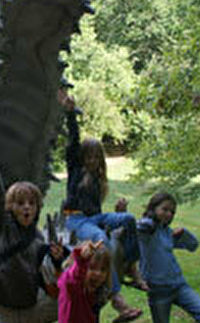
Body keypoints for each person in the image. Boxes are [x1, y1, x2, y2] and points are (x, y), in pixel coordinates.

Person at [58, 89, 146, 323]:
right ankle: (116, 297)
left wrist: (117, 210)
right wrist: (70, 115)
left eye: (97, 158)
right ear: (81, 158)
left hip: (96, 216)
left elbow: (99, 211)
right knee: (101, 241)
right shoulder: (76, 171)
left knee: (127, 220)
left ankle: (131, 267)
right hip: (77, 219)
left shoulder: (97, 180)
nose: (92, 161)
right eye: (88, 157)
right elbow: (73, 141)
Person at [0, 116, 68, 323]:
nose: (26, 207)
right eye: (20, 203)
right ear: (10, 207)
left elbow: (46, 274)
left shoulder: (38, 238)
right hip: (1, 308)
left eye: (31, 203)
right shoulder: (1, 225)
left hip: (28, 308)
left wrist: (57, 258)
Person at [137, 192, 200, 323]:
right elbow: (137, 227)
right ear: (153, 208)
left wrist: (184, 233)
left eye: (172, 212)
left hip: (180, 287)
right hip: (158, 291)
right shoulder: (146, 230)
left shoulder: (167, 233)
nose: (169, 214)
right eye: (165, 209)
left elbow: (193, 245)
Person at [58, 240, 112, 323]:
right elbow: (71, 280)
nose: (98, 273)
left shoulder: (98, 293)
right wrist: (81, 260)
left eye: (103, 269)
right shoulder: (72, 289)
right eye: (92, 268)